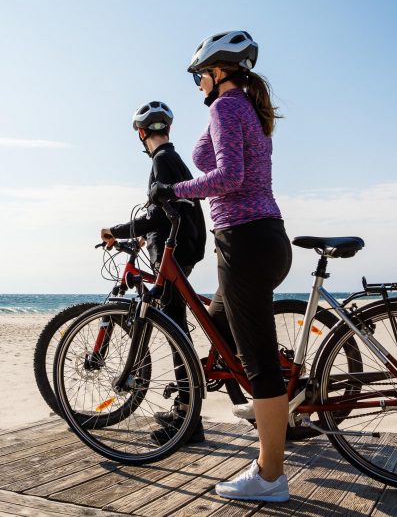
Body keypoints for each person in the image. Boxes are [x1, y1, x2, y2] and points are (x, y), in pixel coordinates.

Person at [151, 30, 293, 503]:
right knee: (217, 328)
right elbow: (216, 160)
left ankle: (270, 476)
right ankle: (265, 407)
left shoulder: (228, 108)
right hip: (261, 237)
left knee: (261, 365)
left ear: (216, 72)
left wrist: (174, 191)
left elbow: (229, 177)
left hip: (245, 240)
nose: (197, 84)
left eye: (199, 75)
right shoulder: (243, 107)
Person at [99, 100, 208, 444]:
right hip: (183, 247)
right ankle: (184, 410)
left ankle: (188, 420)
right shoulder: (173, 159)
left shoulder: (162, 160)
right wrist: (142, 235)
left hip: (173, 252)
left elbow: (160, 214)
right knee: (177, 327)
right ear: (168, 129)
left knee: (177, 332)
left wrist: (117, 230)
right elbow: (168, 211)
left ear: (141, 133)